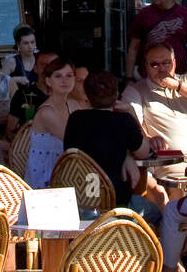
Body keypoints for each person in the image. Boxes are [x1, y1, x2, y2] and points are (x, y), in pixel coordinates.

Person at [119, 43, 187, 272]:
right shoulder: (137, 90)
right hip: (174, 170)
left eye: (167, 63)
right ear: (144, 67)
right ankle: (182, 269)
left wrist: (178, 86)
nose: (162, 69)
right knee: (179, 209)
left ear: (175, 62)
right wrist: (147, 137)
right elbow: (130, 119)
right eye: (155, 64)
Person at [64, 71, 149, 206]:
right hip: (116, 201)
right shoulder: (124, 120)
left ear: (86, 95)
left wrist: (126, 155)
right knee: (156, 212)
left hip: (80, 199)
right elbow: (144, 152)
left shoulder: (75, 119)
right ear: (116, 94)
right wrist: (132, 114)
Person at [27, 58, 81, 188]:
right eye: (58, 76)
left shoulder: (74, 104)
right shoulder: (46, 112)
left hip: (67, 170)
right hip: (45, 175)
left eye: (69, 75)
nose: (65, 80)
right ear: (48, 81)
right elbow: (74, 141)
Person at [5, 49, 56, 138]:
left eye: (53, 66)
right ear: (35, 68)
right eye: (44, 65)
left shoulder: (67, 96)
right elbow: (10, 131)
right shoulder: (22, 95)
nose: (49, 70)